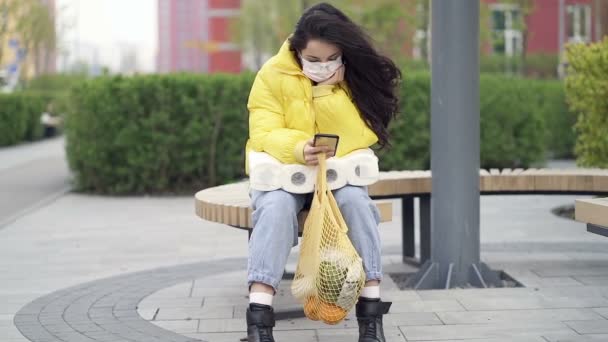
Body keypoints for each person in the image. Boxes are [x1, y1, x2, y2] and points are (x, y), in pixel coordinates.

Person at [244, 3, 401, 342]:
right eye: (313, 60)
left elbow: (361, 134)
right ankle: (259, 321)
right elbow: (263, 132)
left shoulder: (351, 78)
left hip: (335, 175)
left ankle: (371, 319)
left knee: (357, 204)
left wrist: (327, 91)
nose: (323, 66)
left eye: (331, 58)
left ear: (342, 53)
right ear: (297, 51)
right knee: (274, 209)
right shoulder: (271, 75)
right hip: (282, 171)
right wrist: (300, 148)